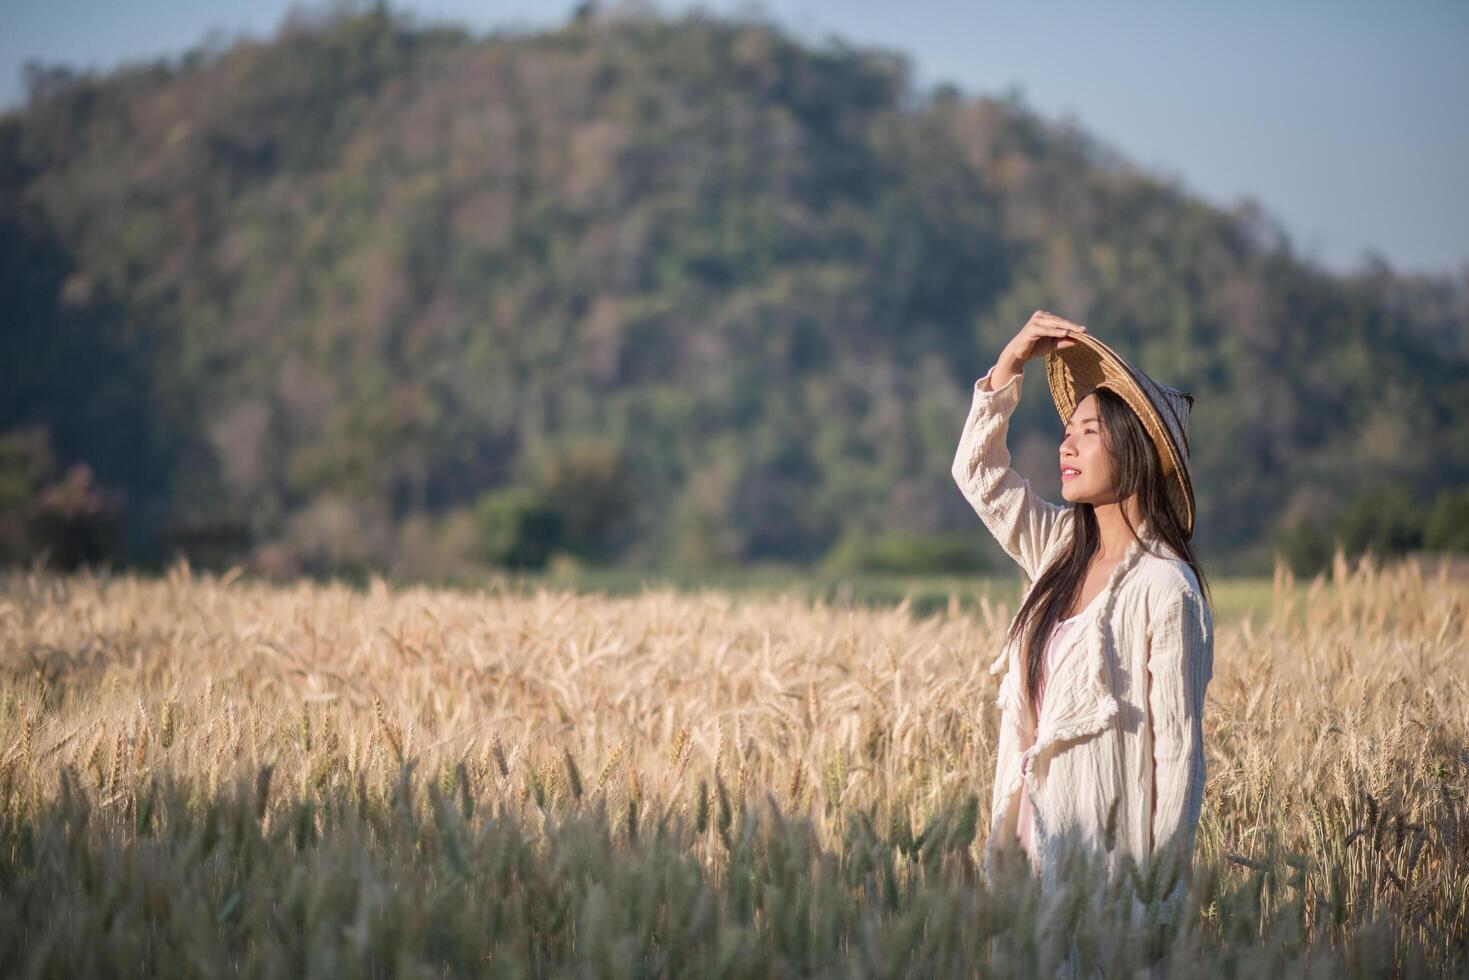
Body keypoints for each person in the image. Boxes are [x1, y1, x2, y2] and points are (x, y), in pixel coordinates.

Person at [950, 310, 1215, 960]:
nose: (1064, 448)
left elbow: (1175, 760)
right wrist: (1008, 366)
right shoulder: (1058, 549)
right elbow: (978, 477)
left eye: (1086, 434)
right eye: (1065, 433)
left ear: (1133, 448)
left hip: (1106, 889)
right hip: (1026, 861)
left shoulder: (1164, 588)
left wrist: (1151, 905)